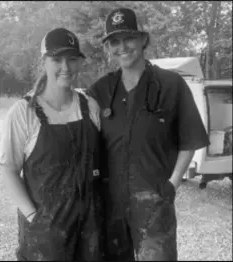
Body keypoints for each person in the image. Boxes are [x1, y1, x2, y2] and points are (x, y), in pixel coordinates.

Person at [87, 8, 210, 261]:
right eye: (114, 41)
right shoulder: (100, 90)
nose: (122, 47)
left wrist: (172, 184)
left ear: (143, 39)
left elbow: (189, 140)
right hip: (111, 205)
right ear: (109, 47)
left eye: (129, 38)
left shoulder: (171, 85)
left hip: (155, 202)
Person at [0, 28, 103, 261]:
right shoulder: (24, 113)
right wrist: (33, 216)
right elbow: (8, 169)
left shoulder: (90, 106)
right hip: (45, 236)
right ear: (43, 62)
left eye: (72, 59)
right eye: (57, 59)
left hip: (90, 231)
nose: (66, 67)